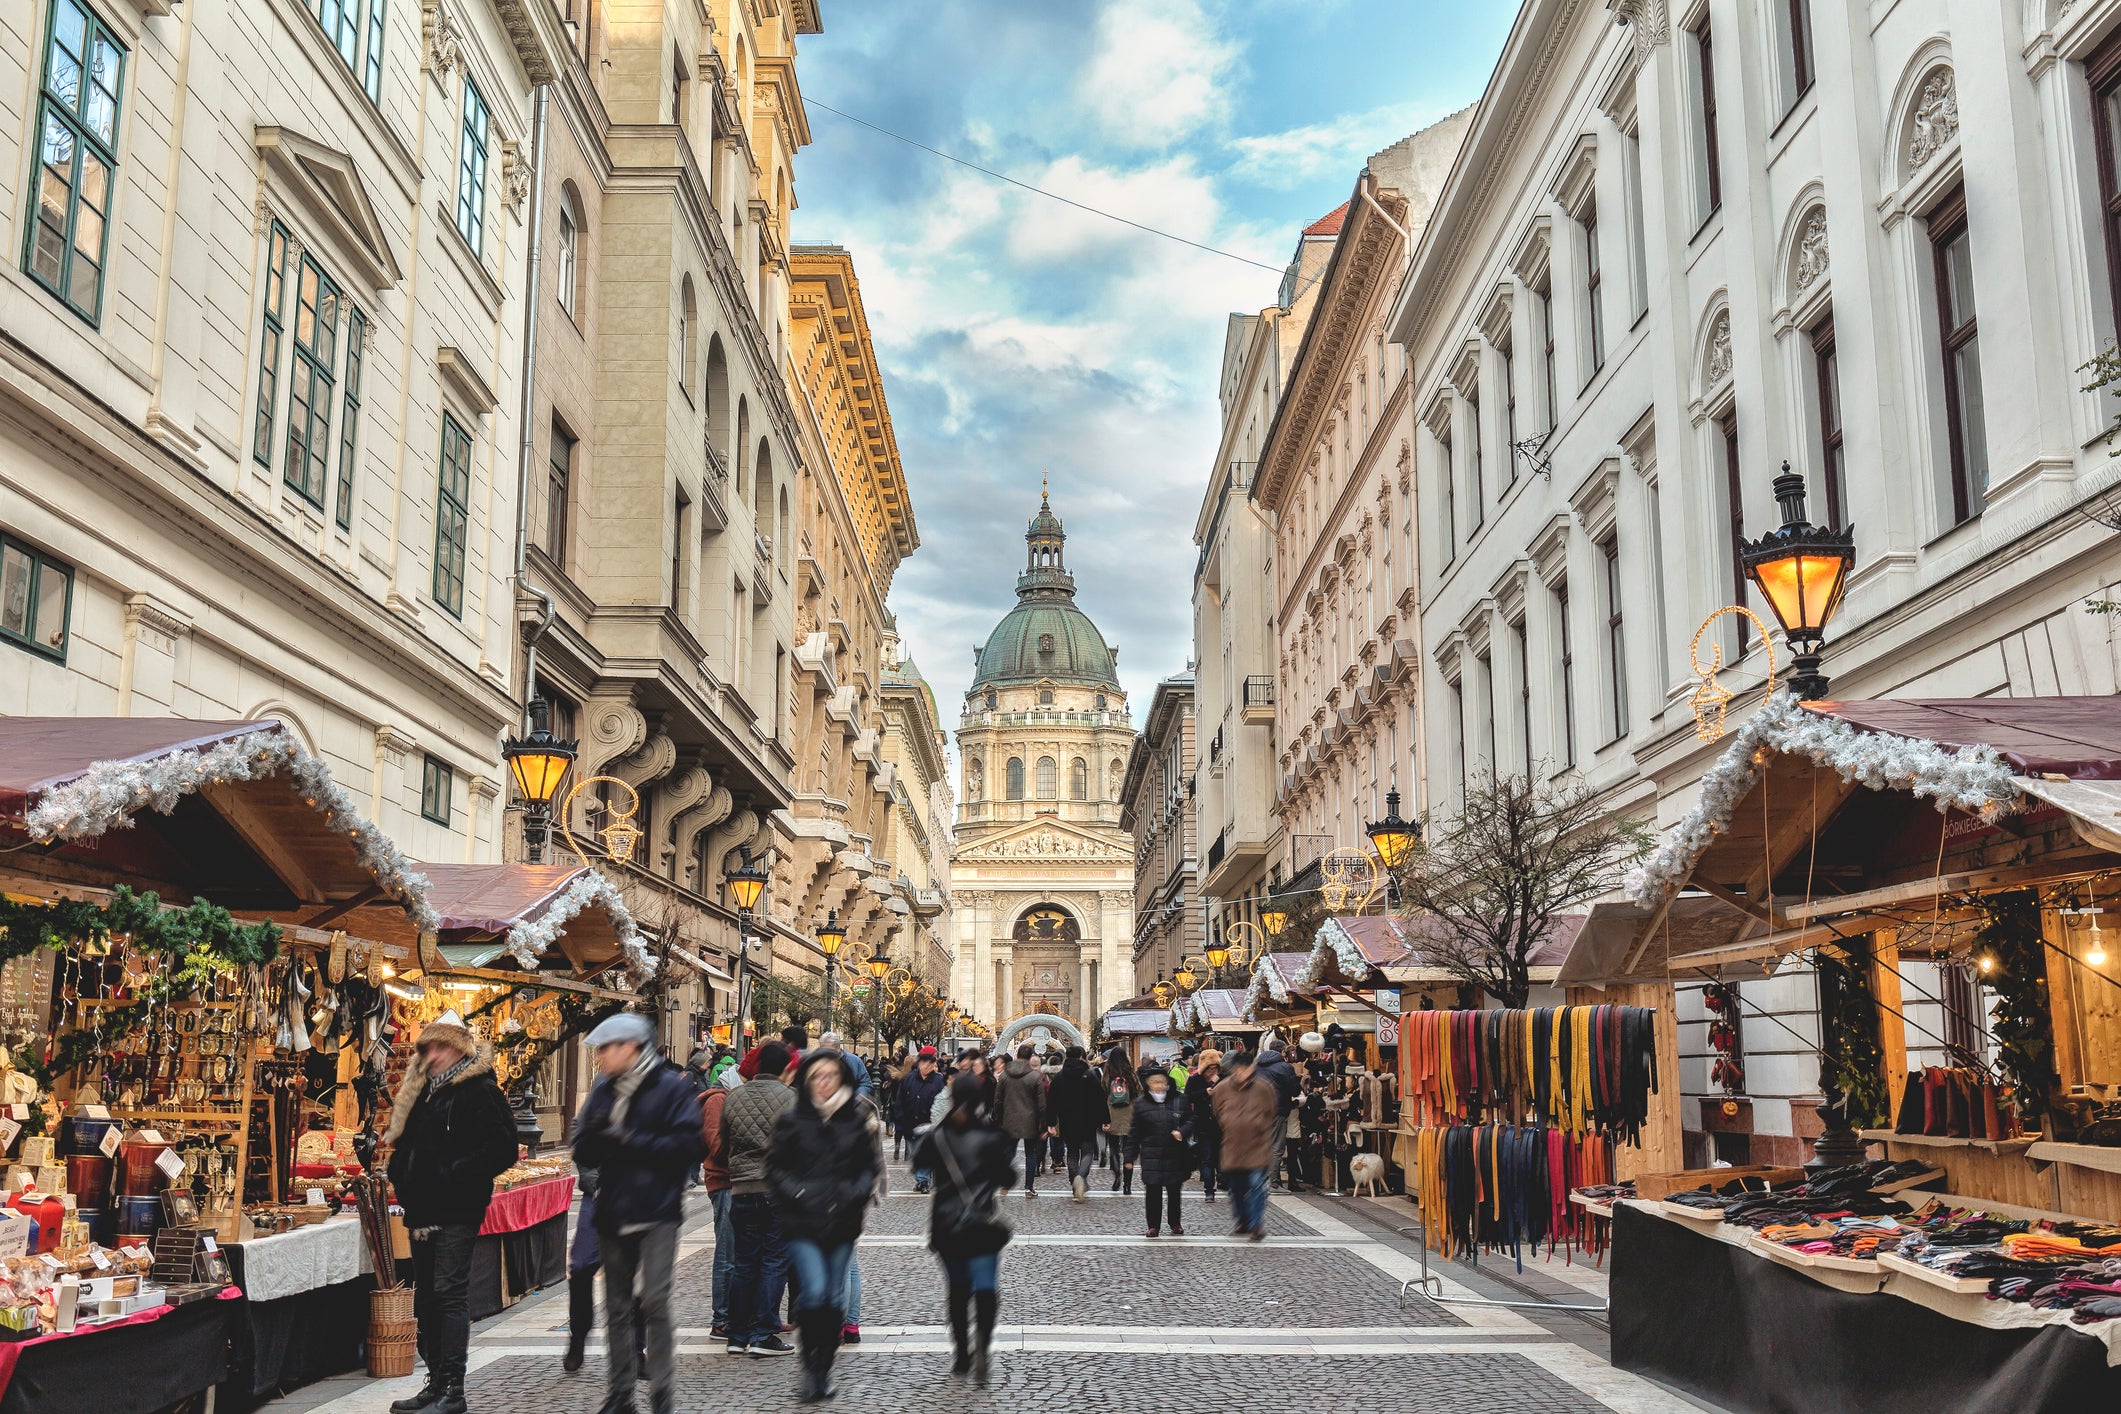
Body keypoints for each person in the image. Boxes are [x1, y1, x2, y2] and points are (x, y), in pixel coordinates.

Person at [569, 1012, 708, 1414]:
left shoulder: (670, 1088)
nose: (600, 1057)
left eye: (605, 1049)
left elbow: (689, 1146)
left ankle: (662, 1392)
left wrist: (629, 1138)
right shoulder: (605, 1089)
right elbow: (583, 1147)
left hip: (657, 1210)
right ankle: (621, 1393)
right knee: (616, 1306)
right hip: (613, 1208)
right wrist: (597, 1137)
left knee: (654, 1300)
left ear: (629, 1048)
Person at [384, 1012, 518, 1414]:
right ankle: (436, 1381)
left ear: (459, 1050)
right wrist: (400, 1175)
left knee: (448, 1293)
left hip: (458, 1207)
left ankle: (453, 1391)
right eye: (428, 1048)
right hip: (421, 1208)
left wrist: (453, 1174)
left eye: (441, 1047)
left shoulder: (480, 1090)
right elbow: (406, 1145)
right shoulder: (422, 1091)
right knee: (426, 1297)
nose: (433, 1055)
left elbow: (503, 1148)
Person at [767, 1050, 880, 1403]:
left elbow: (868, 1168)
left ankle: (823, 1368)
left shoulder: (855, 1120)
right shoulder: (792, 1120)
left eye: (831, 1075)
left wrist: (855, 1193)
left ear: (842, 1078)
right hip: (803, 1222)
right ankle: (810, 1367)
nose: (824, 1082)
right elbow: (775, 1168)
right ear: (807, 1080)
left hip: (842, 1222)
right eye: (817, 1075)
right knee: (814, 1293)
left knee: (832, 1300)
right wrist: (798, 1192)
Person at [913, 1072, 1017, 1387]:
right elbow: (1009, 1178)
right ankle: (983, 1346)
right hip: (982, 1223)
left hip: (947, 1224)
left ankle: (961, 1354)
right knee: (985, 1288)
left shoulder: (938, 1136)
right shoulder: (992, 1136)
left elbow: (918, 1163)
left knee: (957, 1291)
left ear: (953, 1097)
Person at [722, 1042, 798, 1358]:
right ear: (784, 1068)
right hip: (776, 1189)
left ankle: (737, 1334)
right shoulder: (790, 1098)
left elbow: (723, 1142)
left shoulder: (734, 1096)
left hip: (741, 1189)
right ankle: (763, 1333)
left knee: (744, 1263)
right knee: (773, 1262)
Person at [1211, 1049, 1276, 1241]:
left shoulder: (1264, 1088)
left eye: (1246, 1069)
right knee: (1236, 1188)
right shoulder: (1222, 1089)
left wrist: (1258, 1125)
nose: (1242, 1073)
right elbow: (1217, 1112)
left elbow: (1271, 1111)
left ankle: (1256, 1225)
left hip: (1257, 1147)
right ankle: (1242, 1220)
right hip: (1232, 1147)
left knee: (1256, 1186)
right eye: (1239, 1069)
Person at [1126, 1065, 1193, 1237]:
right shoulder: (1141, 1103)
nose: (1159, 1086)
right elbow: (1135, 1132)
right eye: (1155, 1082)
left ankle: (1175, 1222)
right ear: (1148, 1084)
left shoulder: (1179, 1099)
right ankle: (1153, 1225)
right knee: (1153, 1191)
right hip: (1151, 1154)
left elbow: (1191, 1120)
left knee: (1174, 1191)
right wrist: (1129, 1157)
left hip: (1175, 1153)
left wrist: (1183, 1132)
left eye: (1162, 1082)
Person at [699, 1061, 735, 1340]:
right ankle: (721, 1319)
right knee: (726, 1254)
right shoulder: (717, 1101)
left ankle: (737, 1315)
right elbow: (716, 1145)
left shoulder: (730, 1098)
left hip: (737, 1182)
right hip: (723, 1183)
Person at [1047, 1046, 1108, 1202]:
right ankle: (1081, 1176)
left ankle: (1074, 1183)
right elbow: (1100, 1099)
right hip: (1088, 1121)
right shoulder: (1089, 1075)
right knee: (1087, 1152)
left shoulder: (1060, 1077)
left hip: (1067, 1121)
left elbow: (1051, 1101)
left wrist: (1051, 1122)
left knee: (1072, 1152)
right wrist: (1105, 1119)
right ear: (1081, 1057)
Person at [994, 1044, 1048, 1196]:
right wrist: (1044, 1124)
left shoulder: (1005, 1075)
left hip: (1009, 1119)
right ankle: (1028, 1187)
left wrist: (999, 1118)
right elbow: (1042, 1104)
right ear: (1030, 1057)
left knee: (1009, 1152)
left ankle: (1004, 1183)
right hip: (1030, 1120)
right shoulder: (1035, 1077)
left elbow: (998, 1100)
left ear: (1017, 1055)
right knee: (1030, 1154)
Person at [895, 1046, 948, 1193]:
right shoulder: (908, 1079)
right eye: (924, 1063)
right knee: (914, 1154)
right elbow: (900, 1101)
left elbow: (943, 1101)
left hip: (929, 1125)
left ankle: (923, 1181)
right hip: (910, 1124)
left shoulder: (938, 1081)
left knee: (926, 1153)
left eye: (930, 1064)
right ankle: (921, 1179)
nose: (927, 1066)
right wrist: (900, 1121)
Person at [1255, 1036, 1300, 1189]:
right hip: (1277, 1110)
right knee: (1276, 1146)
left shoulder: (1256, 1066)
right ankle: (1273, 1181)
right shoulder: (1285, 1067)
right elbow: (1295, 1090)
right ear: (1283, 1052)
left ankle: (1261, 1178)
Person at [1185, 1049, 1223, 1204]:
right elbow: (1187, 1097)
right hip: (1203, 1124)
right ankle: (1209, 1190)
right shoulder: (1195, 1079)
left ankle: (1222, 1180)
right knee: (1206, 1159)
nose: (1212, 1071)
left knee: (1221, 1158)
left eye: (1215, 1068)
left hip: (1221, 1124)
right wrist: (1205, 1092)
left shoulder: (1223, 1078)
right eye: (1209, 1068)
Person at [1101, 1048, 1137, 1193]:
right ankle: (1127, 1185)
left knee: (1113, 1148)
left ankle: (1117, 1173)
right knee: (1128, 1150)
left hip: (1112, 1113)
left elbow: (1103, 1090)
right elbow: (1138, 1090)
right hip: (1129, 1113)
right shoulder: (1130, 1072)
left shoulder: (1108, 1072)